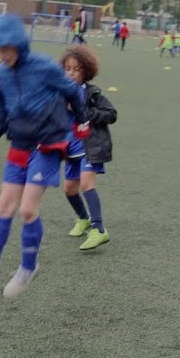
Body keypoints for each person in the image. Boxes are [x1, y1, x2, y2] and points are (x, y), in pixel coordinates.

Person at [0, 14, 89, 298]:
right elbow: (2, 113)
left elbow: (73, 93)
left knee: (27, 209)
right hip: (20, 145)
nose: (1, 55)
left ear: (19, 44)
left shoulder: (45, 68)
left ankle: (28, 268)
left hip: (49, 146)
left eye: (6, 48)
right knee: (4, 206)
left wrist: (81, 122)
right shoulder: (0, 76)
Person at [60, 45, 118, 251]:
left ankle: (99, 229)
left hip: (90, 147)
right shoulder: (60, 93)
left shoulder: (92, 94)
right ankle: (83, 219)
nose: (71, 73)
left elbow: (111, 114)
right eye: (67, 68)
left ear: (85, 71)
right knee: (69, 189)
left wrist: (85, 111)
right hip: (69, 150)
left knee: (86, 184)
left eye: (76, 69)